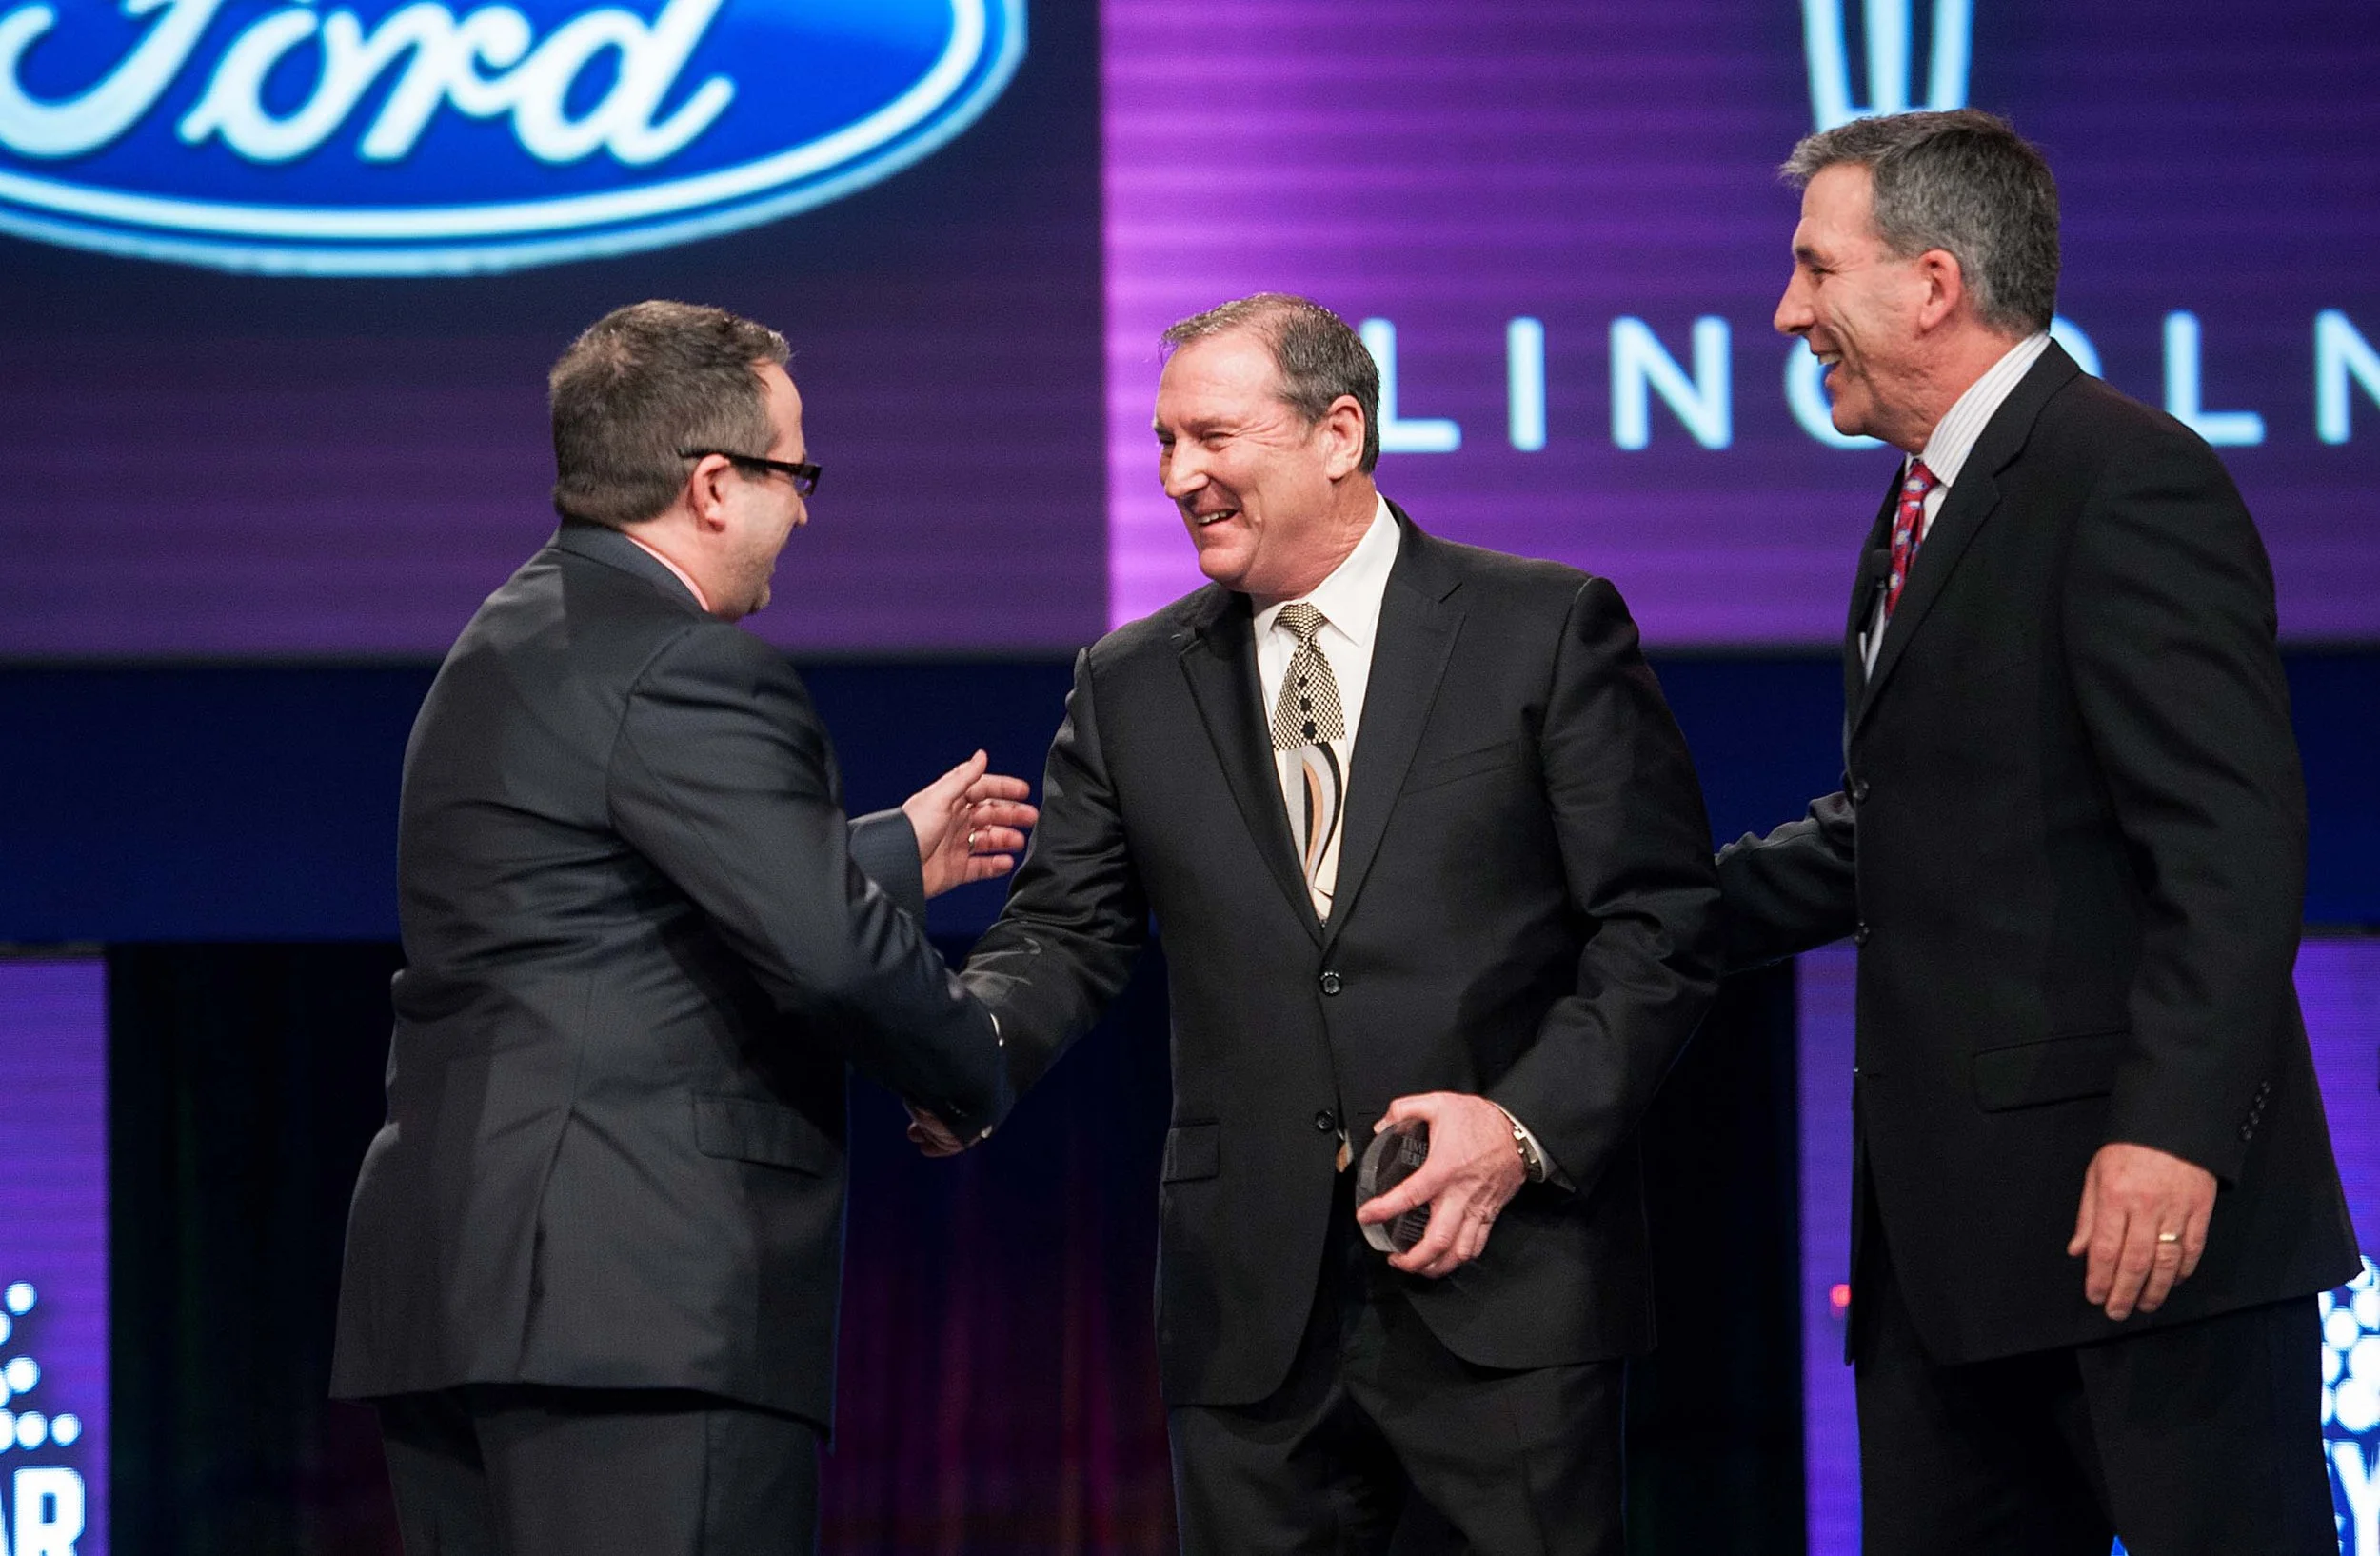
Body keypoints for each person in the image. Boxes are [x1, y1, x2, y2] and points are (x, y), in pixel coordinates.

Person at [922, 293, 1720, 1553]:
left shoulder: (1543, 629)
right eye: (1163, 443)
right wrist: (962, 1050)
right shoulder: (1129, 683)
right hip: (1252, 1314)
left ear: (1338, 433)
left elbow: (1660, 925)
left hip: (1502, 1278)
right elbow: (1065, 933)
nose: (1178, 477)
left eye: (1213, 437)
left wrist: (1521, 1128)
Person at [1718, 110, 2359, 1554]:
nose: (1788, 312)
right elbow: (1910, 827)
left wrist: (2173, 1135)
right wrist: (1645, 912)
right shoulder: (1921, 503)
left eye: (1815, 267)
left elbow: (2229, 841)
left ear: (1932, 284)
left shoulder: (2121, 475)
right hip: (1952, 1257)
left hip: (2145, 1235)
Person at [329, 300, 1036, 1556]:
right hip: (633, 1314)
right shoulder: (689, 666)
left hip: (464, 1299)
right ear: (713, 485)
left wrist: (874, 859)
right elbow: (826, 958)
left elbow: (600, 905)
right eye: (794, 473)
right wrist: (974, 1063)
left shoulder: (509, 639)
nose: (804, 512)